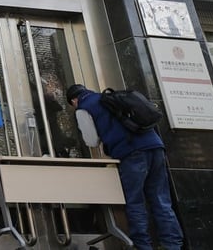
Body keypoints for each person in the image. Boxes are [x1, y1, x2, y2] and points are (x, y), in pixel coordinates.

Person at [66, 84, 183, 250]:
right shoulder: (111, 98)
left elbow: (91, 141)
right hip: (155, 147)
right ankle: (172, 245)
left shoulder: (84, 108)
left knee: (135, 202)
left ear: (74, 100)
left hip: (131, 152)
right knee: (161, 200)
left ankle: (143, 246)